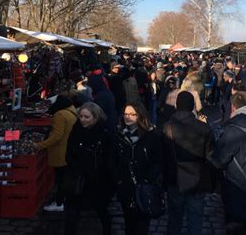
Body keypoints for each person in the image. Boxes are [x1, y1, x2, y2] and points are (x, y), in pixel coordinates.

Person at [211, 92, 246, 235]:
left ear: (233, 107)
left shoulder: (232, 129)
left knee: (235, 226)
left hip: (236, 186)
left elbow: (220, 161)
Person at [163, 91, 215, 235]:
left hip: (175, 178)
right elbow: (210, 156)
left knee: (174, 218)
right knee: (196, 219)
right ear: (192, 106)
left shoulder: (167, 127)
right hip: (197, 179)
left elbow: (163, 156)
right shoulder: (204, 128)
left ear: (176, 105)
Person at [64, 103, 115, 235]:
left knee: (101, 210)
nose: (83, 119)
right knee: (72, 212)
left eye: (87, 117)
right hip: (78, 178)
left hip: (98, 180)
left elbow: (109, 160)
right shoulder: (76, 130)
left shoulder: (104, 134)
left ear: (96, 117)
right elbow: (69, 153)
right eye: (81, 116)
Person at [115, 103, 164, 235]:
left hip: (144, 187)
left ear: (140, 115)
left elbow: (158, 160)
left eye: (132, 114)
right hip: (125, 186)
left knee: (142, 224)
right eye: (125, 114)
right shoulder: (119, 135)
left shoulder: (151, 135)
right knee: (128, 223)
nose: (127, 117)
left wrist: (148, 178)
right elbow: (114, 160)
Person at [36, 95, 78, 212]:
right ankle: (62, 200)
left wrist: (40, 145)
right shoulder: (71, 111)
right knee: (64, 178)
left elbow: (56, 136)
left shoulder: (60, 115)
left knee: (61, 179)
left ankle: (59, 203)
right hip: (68, 150)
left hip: (61, 152)